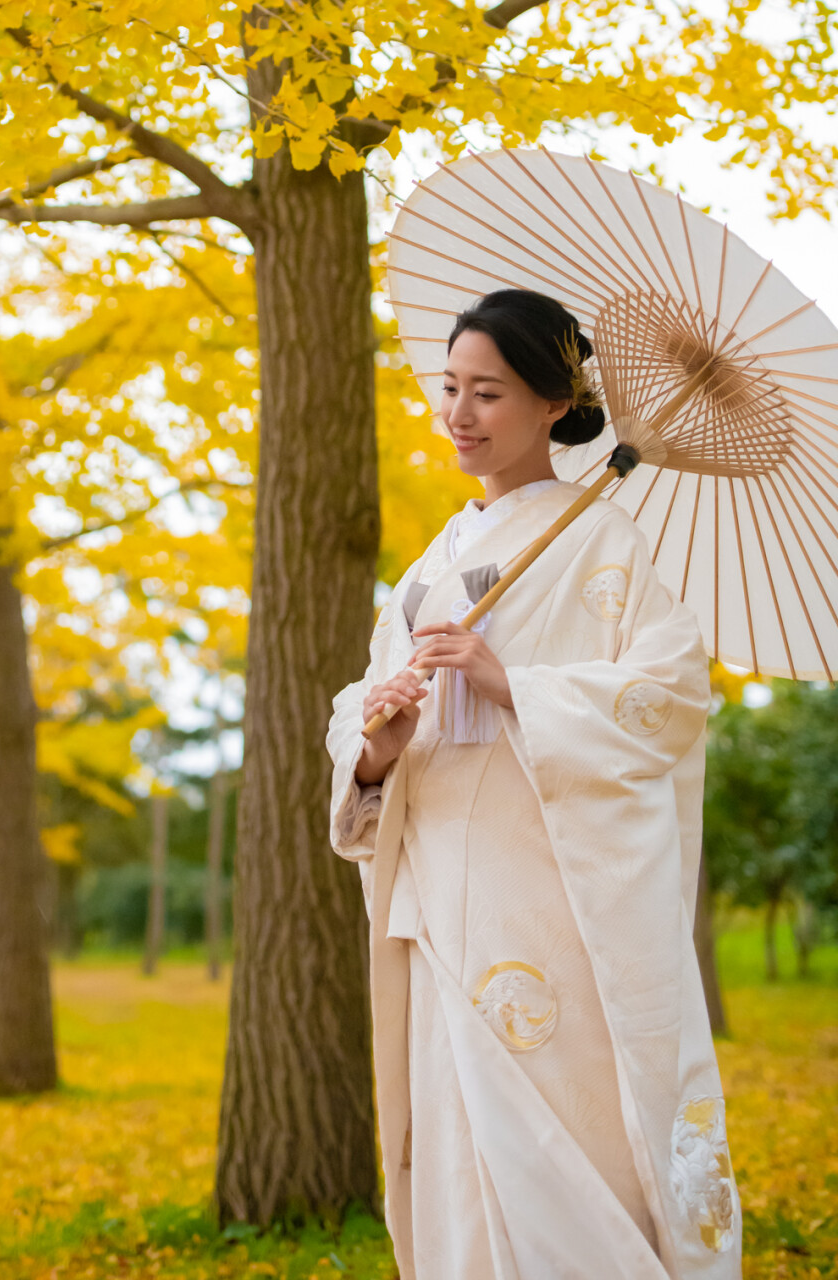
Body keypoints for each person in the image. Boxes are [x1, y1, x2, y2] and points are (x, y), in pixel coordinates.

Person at [327, 289, 740, 1280]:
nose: (460, 416)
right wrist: (377, 740)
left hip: (545, 901)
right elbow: (362, 722)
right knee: (459, 1155)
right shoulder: (432, 566)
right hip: (432, 894)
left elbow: (672, 696)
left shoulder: (606, 544)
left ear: (557, 404)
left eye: (491, 394)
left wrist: (509, 681)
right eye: (451, 389)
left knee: (552, 1145)